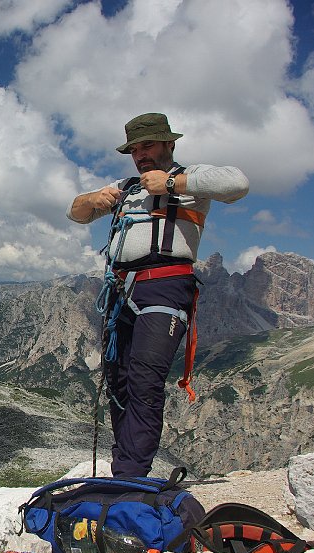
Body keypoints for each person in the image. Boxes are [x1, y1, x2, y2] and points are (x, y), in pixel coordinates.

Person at [68, 112, 249, 477]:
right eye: (134, 149)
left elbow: (238, 183)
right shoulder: (127, 186)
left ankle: (131, 476)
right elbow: (77, 213)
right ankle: (125, 466)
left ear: (169, 143)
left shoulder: (188, 181)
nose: (140, 155)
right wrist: (94, 197)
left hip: (165, 286)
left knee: (145, 378)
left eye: (147, 145)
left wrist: (171, 182)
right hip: (121, 290)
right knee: (118, 380)